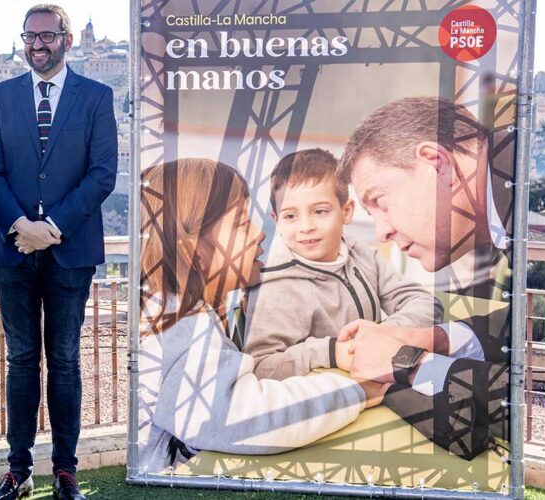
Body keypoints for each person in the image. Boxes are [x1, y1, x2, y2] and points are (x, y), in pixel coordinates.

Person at [137, 158, 388, 473]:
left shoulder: (177, 313)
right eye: (242, 223)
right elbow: (243, 418)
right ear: (193, 246)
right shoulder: (180, 325)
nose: (259, 235)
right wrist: (354, 392)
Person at [0, 4, 117, 499]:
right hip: (12, 249)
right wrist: (20, 225)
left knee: (65, 359)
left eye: (47, 35)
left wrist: (51, 227)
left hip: (70, 249)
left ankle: (66, 472)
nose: (38, 44)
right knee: (19, 360)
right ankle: (17, 471)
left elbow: (103, 174)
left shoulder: (97, 97)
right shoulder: (0, 96)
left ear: (68, 39)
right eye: (30, 36)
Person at [335, 96, 513, 460]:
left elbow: (534, 407)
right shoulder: (514, 186)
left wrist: (409, 363)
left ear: (437, 163)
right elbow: (525, 334)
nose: (381, 231)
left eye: (380, 202)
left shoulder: (536, 208)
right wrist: (438, 338)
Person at [237, 148, 439, 380]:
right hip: (332, 401)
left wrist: (382, 334)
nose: (306, 226)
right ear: (277, 221)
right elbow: (261, 366)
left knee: (453, 385)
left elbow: (425, 303)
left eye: (320, 211)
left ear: (346, 211)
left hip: (382, 377)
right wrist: (331, 352)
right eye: (290, 216)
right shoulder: (274, 284)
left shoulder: (361, 253)